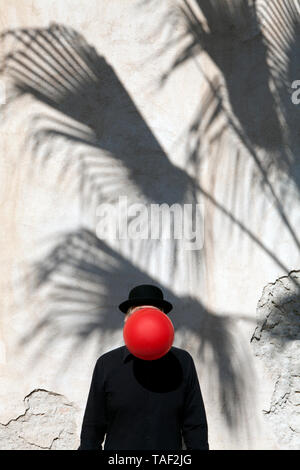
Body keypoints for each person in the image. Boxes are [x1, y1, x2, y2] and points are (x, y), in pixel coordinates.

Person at [78, 284, 209, 450]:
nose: (147, 318)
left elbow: (195, 426)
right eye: (139, 311)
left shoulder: (183, 362)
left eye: (154, 312)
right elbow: (92, 428)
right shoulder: (107, 364)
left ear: (164, 320)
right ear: (127, 319)